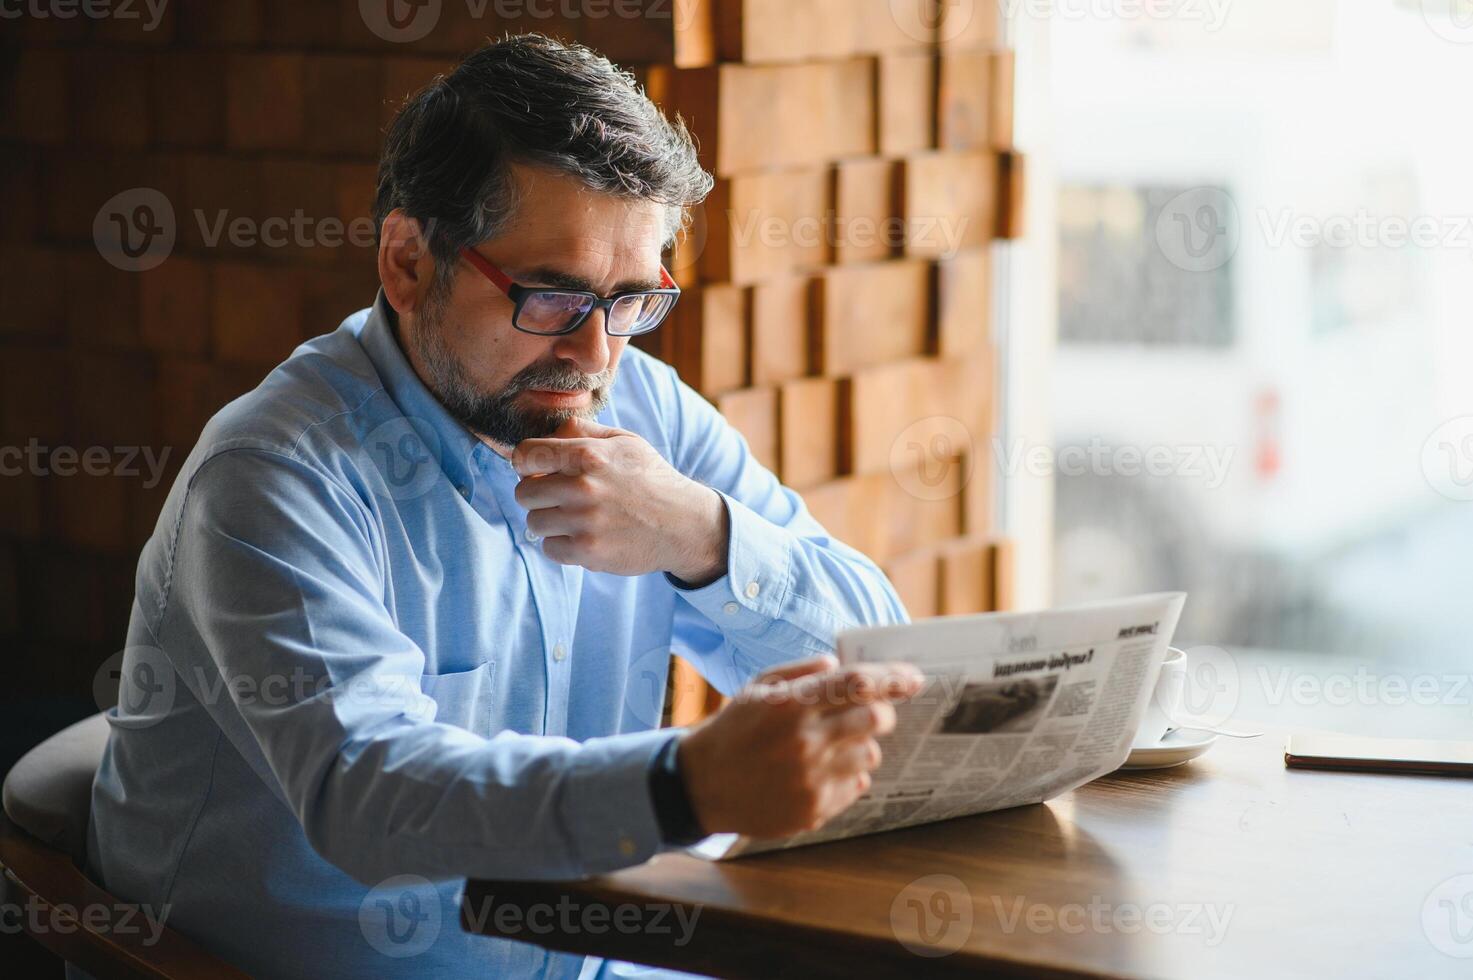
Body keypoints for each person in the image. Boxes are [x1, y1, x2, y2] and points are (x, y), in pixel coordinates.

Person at [83, 34, 921, 979]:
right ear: (406, 263)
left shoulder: (644, 410)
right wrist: (683, 786)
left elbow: (879, 660)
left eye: (632, 301)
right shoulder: (272, 474)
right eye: (552, 299)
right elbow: (369, 797)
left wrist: (702, 534)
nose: (600, 355)